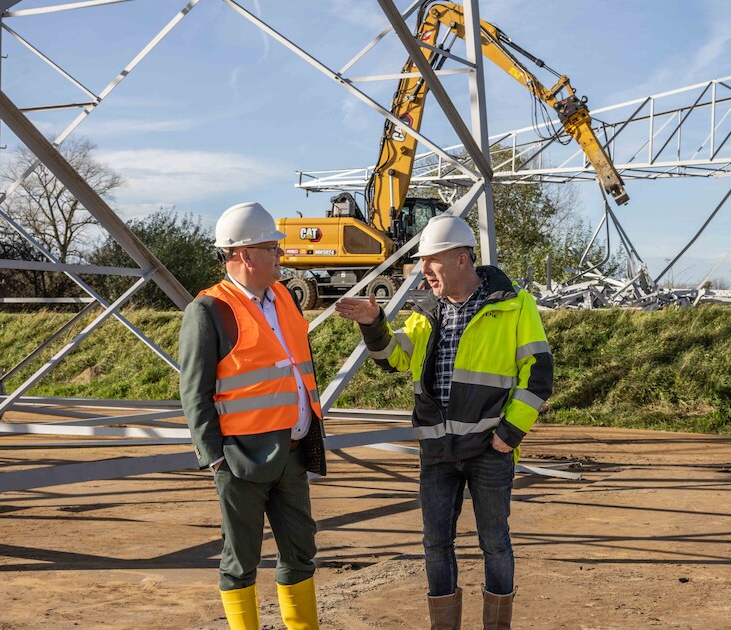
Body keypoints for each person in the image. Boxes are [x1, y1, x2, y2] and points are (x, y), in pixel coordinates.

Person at [335, 214, 553, 630]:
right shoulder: (426, 311)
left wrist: (507, 436)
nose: (423, 270)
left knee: (495, 544)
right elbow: (393, 359)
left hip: (489, 450)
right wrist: (373, 324)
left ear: (461, 259)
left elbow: (538, 376)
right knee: (435, 546)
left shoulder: (513, 305)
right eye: (421, 261)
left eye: (431, 260)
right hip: (437, 452)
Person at [179, 202, 327, 630]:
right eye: (271, 248)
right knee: (240, 559)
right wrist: (215, 457)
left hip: (293, 452)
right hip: (241, 459)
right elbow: (194, 391)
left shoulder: (282, 296)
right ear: (244, 255)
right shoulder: (208, 311)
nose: (280, 255)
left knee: (300, 551)